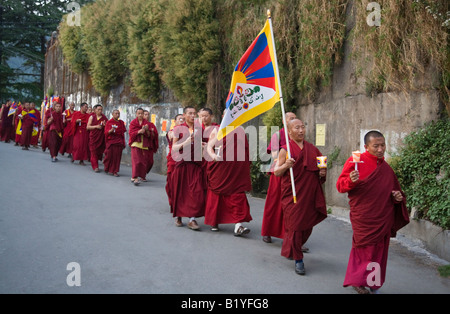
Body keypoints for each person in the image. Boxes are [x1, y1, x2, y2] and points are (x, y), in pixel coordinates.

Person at [336, 130, 409, 294]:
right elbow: (340, 186)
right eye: (376, 146)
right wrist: (350, 180)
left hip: (382, 217)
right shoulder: (356, 162)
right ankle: (358, 281)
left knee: (379, 251)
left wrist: (398, 197)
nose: (380, 149)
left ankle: (373, 282)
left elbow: (396, 192)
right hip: (363, 216)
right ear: (366, 146)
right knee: (364, 250)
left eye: (383, 145)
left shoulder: (386, 169)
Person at [274, 119, 327, 275]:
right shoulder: (285, 150)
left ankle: (293, 247)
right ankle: (299, 259)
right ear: (289, 132)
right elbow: (277, 171)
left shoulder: (313, 149)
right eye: (296, 128)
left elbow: (320, 167)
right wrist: (286, 165)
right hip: (293, 195)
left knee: (307, 226)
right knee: (296, 226)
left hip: (309, 195)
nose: (301, 130)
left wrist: (322, 172)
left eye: (303, 127)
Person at [204, 122, 252, 236]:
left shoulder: (240, 130)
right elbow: (209, 146)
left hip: (236, 169)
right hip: (220, 168)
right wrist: (213, 156)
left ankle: (238, 225)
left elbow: (244, 149)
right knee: (217, 194)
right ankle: (214, 221)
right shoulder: (218, 130)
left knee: (237, 195)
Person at [261, 112, 296, 244]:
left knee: (292, 206)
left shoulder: (296, 134)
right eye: (291, 119)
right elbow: (275, 154)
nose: (293, 121)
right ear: (284, 121)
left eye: (295, 118)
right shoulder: (278, 135)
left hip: (293, 172)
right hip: (279, 172)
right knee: (273, 203)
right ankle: (267, 231)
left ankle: (292, 237)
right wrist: (286, 159)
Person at [170, 106, 206, 230]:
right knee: (181, 191)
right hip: (182, 164)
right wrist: (187, 141)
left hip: (195, 164)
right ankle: (179, 215)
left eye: (194, 113)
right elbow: (174, 147)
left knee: (197, 191)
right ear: (184, 115)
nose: (192, 116)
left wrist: (202, 145)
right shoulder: (178, 129)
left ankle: (192, 219)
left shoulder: (199, 128)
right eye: (190, 113)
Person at [128, 108, 154, 185]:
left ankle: (140, 176)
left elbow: (149, 135)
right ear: (136, 114)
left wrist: (146, 130)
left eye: (141, 113)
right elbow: (131, 133)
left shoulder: (147, 123)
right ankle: (135, 177)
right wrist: (138, 132)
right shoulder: (133, 122)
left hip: (144, 144)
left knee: (143, 162)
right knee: (137, 161)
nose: (140, 115)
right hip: (136, 143)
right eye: (138, 113)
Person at [166, 113, 185, 211]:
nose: (182, 121)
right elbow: (171, 136)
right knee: (172, 183)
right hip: (173, 160)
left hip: (185, 161)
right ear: (175, 121)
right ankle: (173, 202)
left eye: (183, 119)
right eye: (180, 119)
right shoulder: (172, 131)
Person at [103, 109, 126, 177]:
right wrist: (111, 130)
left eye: (118, 113)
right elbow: (106, 132)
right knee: (109, 156)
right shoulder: (109, 122)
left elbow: (123, 132)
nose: (117, 115)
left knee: (117, 158)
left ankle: (115, 171)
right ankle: (107, 167)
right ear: (112, 114)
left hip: (118, 142)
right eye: (116, 113)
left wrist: (122, 142)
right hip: (111, 142)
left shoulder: (121, 122)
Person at [87, 104, 108, 172]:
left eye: (101, 110)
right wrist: (96, 126)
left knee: (99, 152)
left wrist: (105, 126)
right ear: (95, 110)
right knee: (93, 152)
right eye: (98, 109)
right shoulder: (92, 117)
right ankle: (95, 167)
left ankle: (95, 162)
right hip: (93, 137)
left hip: (101, 138)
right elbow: (88, 127)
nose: (100, 111)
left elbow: (107, 127)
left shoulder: (104, 118)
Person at [142, 110, 159, 179]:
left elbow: (156, 134)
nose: (147, 116)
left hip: (150, 145)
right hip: (142, 145)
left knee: (150, 162)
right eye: (145, 114)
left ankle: (143, 173)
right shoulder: (140, 124)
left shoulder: (151, 124)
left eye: (148, 114)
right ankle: (142, 176)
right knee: (143, 161)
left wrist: (152, 132)